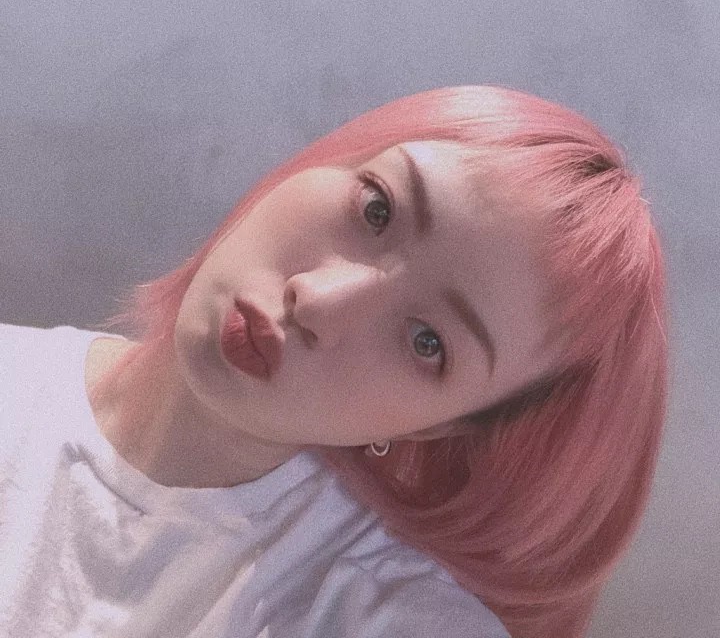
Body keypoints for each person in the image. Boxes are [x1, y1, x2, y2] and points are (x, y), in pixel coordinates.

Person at [0, 85, 668, 638]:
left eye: (427, 342)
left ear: (436, 426)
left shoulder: (392, 618)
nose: (318, 300)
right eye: (377, 209)